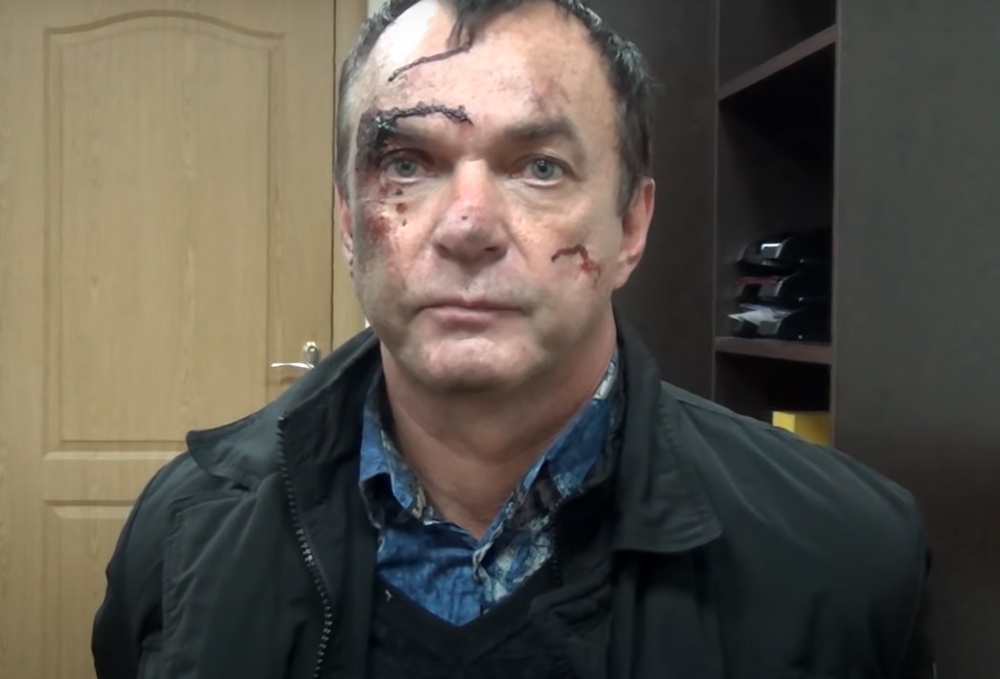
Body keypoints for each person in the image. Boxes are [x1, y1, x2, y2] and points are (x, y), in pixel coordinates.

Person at [92, 0, 934, 676]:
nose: (467, 226)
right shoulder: (182, 537)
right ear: (349, 224)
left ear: (631, 226)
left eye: (539, 168)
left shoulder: (848, 559)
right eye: (408, 164)